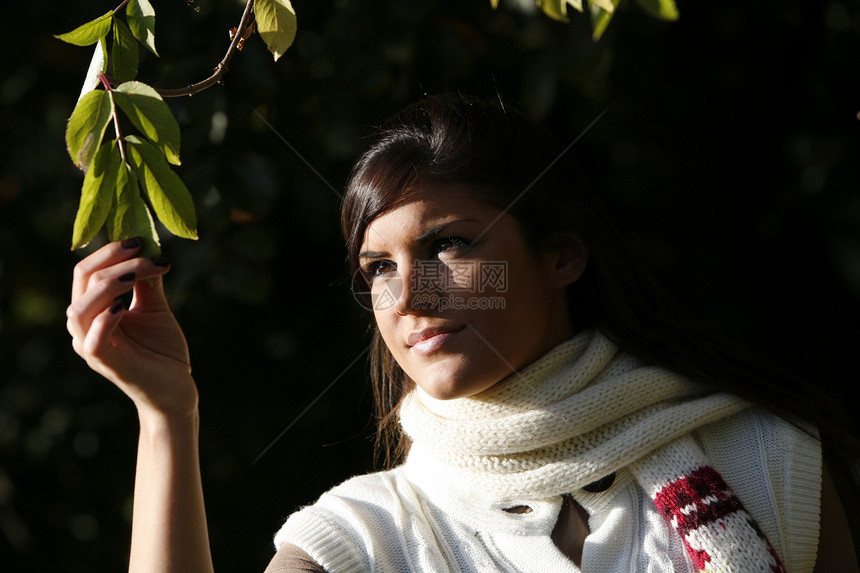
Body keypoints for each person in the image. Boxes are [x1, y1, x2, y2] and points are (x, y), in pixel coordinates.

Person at [67, 93, 858, 572]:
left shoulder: (765, 452)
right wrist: (167, 415)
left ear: (561, 253)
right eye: (378, 267)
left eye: (450, 244)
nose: (409, 293)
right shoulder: (368, 532)